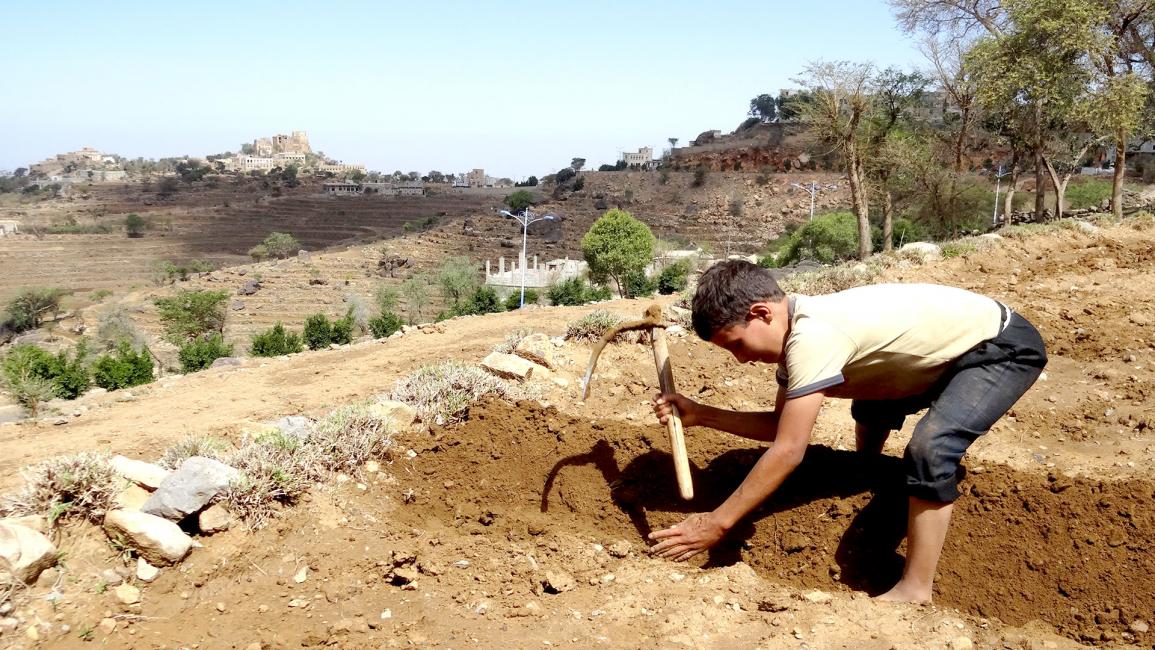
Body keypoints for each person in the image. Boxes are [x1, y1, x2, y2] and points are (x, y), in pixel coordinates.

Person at [648, 260, 1047, 603]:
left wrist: (718, 522)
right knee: (870, 400)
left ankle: (915, 588)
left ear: (761, 313)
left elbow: (788, 451)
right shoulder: (796, 335)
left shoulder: (813, 337)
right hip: (937, 355)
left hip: (999, 347)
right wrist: (701, 414)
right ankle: (870, 478)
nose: (740, 359)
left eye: (736, 344)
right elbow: (778, 426)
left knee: (931, 448)